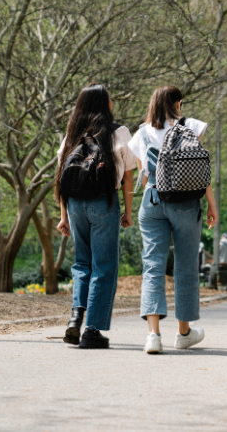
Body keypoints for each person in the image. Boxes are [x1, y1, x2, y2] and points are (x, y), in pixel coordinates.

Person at [127, 85, 218, 354]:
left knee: (152, 266)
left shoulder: (141, 133)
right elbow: (201, 171)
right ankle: (183, 333)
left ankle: (153, 336)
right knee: (187, 266)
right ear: (179, 104)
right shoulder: (192, 126)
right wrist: (211, 205)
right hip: (186, 203)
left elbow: (143, 172)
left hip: (152, 200)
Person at [56, 83, 137, 349]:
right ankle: (92, 330)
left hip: (75, 205)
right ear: (105, 104)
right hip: (104, 202)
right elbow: (127, 174)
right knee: (104, 267)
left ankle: (74, 319)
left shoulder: (72, 134)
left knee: (82, 264)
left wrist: (63, 215)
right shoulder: (118, 132)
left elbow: (60, 176)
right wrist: (128, 211)